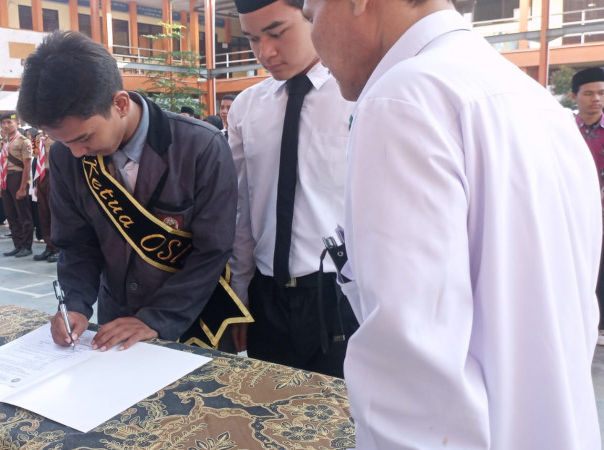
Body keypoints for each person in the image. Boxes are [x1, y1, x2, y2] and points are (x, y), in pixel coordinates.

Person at [303, 0, 602, 446]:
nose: (314, 40)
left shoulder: (404, 96)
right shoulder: (535, 98)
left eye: (311, 15)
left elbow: (413, 378)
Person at [17, 31, 240, 351]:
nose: (77, 153)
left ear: (120, 104)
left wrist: (158, 317)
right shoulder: (66, 156)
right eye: (64, 141)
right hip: (116, 323)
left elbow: (212, 250)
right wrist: (76, 304)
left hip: (194, 322)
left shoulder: (200, 147)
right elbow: (77, 244)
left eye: (84, 138)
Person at [227, 0, 357, 376]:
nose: (265, 52)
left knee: (338, 408)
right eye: (253, 39)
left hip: (340, 293)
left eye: (277, 32)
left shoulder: (356, 98)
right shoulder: (246, 108)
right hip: (267, 295)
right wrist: (240, 291)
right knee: (266, 400)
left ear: (312, 15)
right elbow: (242, 212)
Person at [571, 67, 604, 346]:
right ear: (575, 96)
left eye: (601, 93)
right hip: (574, 211)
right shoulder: (564, 129)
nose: (596, 99)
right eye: (589, 93)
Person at [0, 112, 34, 257]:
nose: (6, 125)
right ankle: (17, 244)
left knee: (23, 214)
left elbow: (27, 166)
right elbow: (2, 164)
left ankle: (27, 246)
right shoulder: (4, 142)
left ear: (17, 123)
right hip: (6, 179)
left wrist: (23, 187)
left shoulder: (23, 141)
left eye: (9, 122)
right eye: (3, 123)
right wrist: (1, 185)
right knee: (10, 214)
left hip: (18, 178)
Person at [33, 131, 60, 262]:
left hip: (54, 175)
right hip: (41, 176)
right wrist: (36, 185)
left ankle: (59, 249)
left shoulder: (57, 134)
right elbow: (36, 160)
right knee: (43, 214)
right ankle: (49, 246)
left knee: (55, 213)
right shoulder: (38, 138)